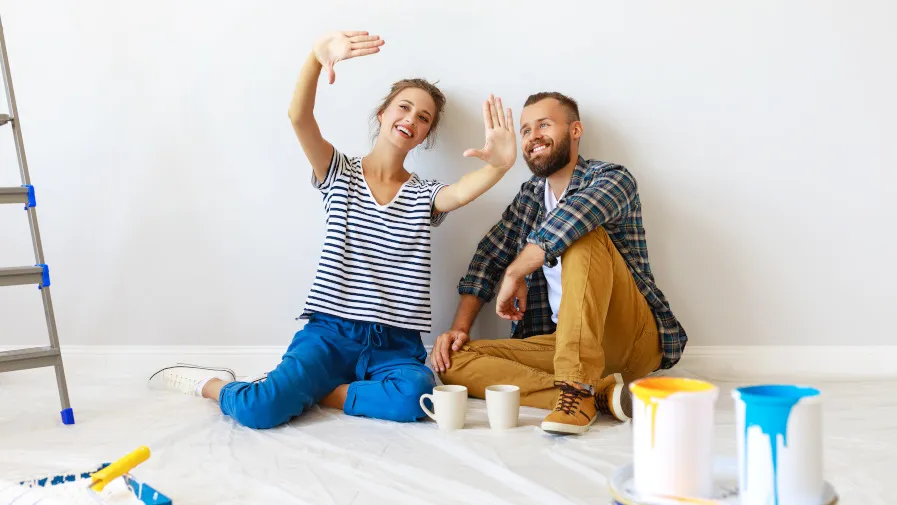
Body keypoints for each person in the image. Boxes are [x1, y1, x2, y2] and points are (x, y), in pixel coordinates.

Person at [148, 30, 518, 429]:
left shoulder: (425, 194)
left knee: (419, 397)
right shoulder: (340, 171)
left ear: (426, 134)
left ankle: (318, 391)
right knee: (259, 410)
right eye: (404, 107)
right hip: (330, 333)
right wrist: (315, 58)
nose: (411, 119)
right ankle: (213, 385)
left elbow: (461, 192)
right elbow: (299, 118)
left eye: (423, 118)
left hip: (394, 344)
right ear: (383, 113)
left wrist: (499, 166)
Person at [432, 91, 688, 435]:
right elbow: (487, 258)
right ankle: (594, 394)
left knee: (581, 236)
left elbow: (575, 216)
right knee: (452, 363)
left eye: (544, 124)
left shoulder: (612, 178)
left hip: (629, 339)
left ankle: (577, 386)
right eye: (525, 130)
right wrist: (459, 329)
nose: (533, 135)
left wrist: (517, 269)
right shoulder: (529, 197)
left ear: (575, 130)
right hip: (564, 344)